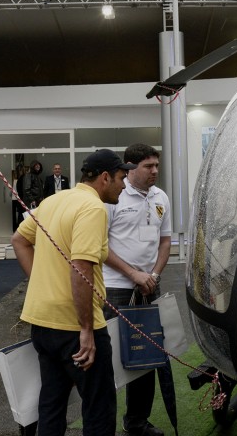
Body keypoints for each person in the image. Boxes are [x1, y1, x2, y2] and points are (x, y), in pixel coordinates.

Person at [11, 149, 134, 436]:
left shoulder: (53, 200)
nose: (124, 185)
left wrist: (42, 282)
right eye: (121, 178)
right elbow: (81, 266)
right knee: (99, 407)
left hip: (43, 323)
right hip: (75, 326)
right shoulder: (93, 209)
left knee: (51, 404)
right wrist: (87, 330)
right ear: (105, 178)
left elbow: (19, 240)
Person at [102, 144, 172, 436]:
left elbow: (165, 241)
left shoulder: (161, 197)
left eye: (156, 165)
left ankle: (137, 421)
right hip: (116, 288)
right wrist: (132, 273)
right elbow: (99, 246)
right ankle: (101, 422)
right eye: (148, 166)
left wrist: (152, 274)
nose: (155, 171)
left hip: (149, 286)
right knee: (111, 358)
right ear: (130, 168)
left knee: (146, 357)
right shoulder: (111, 198)